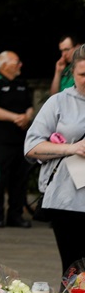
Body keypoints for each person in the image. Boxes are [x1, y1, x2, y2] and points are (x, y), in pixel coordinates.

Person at [25, 47, 85, 275]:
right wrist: (72, 147)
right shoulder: (59, 102)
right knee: (74, 270)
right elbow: (31, 147)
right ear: (72, 73)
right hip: (68, 200)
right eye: (83, 74)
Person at [0, 51, 33, 228]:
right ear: (4, 65)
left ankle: (16, 216)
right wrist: (16, 118)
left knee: (19, 180)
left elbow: (30, 107)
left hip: (21, 141)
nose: (20, 65)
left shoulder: (22, 84)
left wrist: (27, 117)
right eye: (16, 62)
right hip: (1, 142)